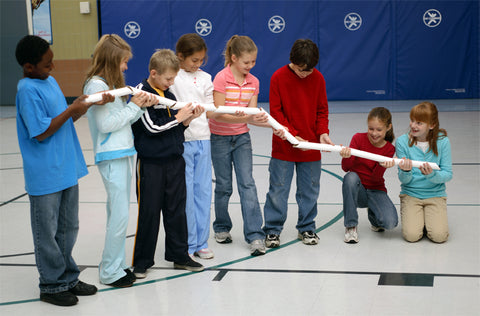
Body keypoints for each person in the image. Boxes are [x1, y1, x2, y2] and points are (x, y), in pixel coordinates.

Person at [14, 35, 112, 306]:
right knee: (47, 231)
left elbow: (66, 118)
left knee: (68, 227)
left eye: (52, 61)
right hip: (45, 173)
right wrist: (72, 109)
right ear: (28, 67)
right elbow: (42, 132)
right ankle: (51, 284)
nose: (52, 67)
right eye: (47, 64)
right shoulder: (27, 90)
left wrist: (84, 105)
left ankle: (68, 277)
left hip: (66, 166)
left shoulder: (50, 82)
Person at [83, 34, 157, 287]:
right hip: (111, 156)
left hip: (123, 152)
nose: (126, 67)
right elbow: (106, 124)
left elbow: (123, 118)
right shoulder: (96, 86)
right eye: (124, 61)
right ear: (112, 60)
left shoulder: (109, 84)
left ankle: (117, 264)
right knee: (119, 215)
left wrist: (142, 105)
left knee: (120, 214)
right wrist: (134, 106)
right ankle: (109, 271)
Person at [131, 49, 204, 279]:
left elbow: (175, 129)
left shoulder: (168, 94)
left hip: (174, 161)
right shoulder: (141, 93)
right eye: (168, 78)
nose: (172, 83)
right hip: (151, 164)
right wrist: (178, 117)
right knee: (149, 212)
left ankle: (180, 256)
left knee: (176, 211)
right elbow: (152, 128)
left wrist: (189, 118)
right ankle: (142, 262)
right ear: (153, 73)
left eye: (173, 78)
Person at [262, 39, 333, 248]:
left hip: (311, 148)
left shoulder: (318, 78)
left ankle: (307, 227)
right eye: (302, 70)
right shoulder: (278, 77)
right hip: (284, 147)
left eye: (309, 70)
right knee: (278, 190)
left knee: (309, 190)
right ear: (292, 61)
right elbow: (276, 112)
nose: (305, 74)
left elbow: (322, 110)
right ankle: (273, 230)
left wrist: (323, 133)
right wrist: (293, 136)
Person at [209, 35, 271, 256]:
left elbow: (252, 113)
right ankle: (222, 228)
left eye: (253, 62)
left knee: (248, 184)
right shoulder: (221, 78)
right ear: (234, 58)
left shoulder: (253, 82)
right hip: (219, 138)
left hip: (242, 139)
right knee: (224, 186)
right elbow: (218, 113)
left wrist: (259, 120)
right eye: (246, 62)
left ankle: (255, 236)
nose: (250, 66)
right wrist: (247, 119)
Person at [170, 33, 214, 260]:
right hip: (182, 141)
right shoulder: (173, 76)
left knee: (203, 191)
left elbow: (212, 107)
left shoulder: (206, 77)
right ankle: (187, 243)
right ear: (180, 57)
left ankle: (201, 242)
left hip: (203, 140)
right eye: (194, 60)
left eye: (201, 60)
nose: (198, 65)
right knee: (184, 194)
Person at [339, 107, 398, 244]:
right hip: (358, 189)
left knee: (390, 223)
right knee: (350, 177)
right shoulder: (358, 138)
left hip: (375, 189)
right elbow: (345, 168)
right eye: (371, 129)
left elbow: (375, 179)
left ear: (388, 128)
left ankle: (373, 214)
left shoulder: (389, 148)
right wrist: (347, 157)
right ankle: (351, 226)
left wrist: (382, 166)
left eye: (379, 130)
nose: (374, 133)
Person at [397, 102, 452, 243]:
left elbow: (448, 174)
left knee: (440, 237)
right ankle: (418, 217)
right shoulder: (402, 142)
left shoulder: (443, 141)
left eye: (419, 123)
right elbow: (404, 180)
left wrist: (432, 175)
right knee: (411, 236)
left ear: (431, 125)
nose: (413, 126)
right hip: (411, 194)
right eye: (412, 120)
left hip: (435, 195)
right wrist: (406, 171)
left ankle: (429, 219)